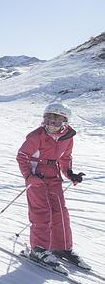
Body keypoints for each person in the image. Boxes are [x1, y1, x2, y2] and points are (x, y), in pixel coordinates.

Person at [16, 103, 89, 269]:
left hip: (53, 175)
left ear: (64, 122)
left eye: (55, 122)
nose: (50, 125)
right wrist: (28, 176)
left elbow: (65, 157)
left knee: (60, 212)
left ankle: (61, 246)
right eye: (46, 121)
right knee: (41, 211)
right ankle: (39, 249)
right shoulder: (36, 136)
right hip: (37, 175)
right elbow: (22, 156)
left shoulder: (67, 137)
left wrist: (70, 174)